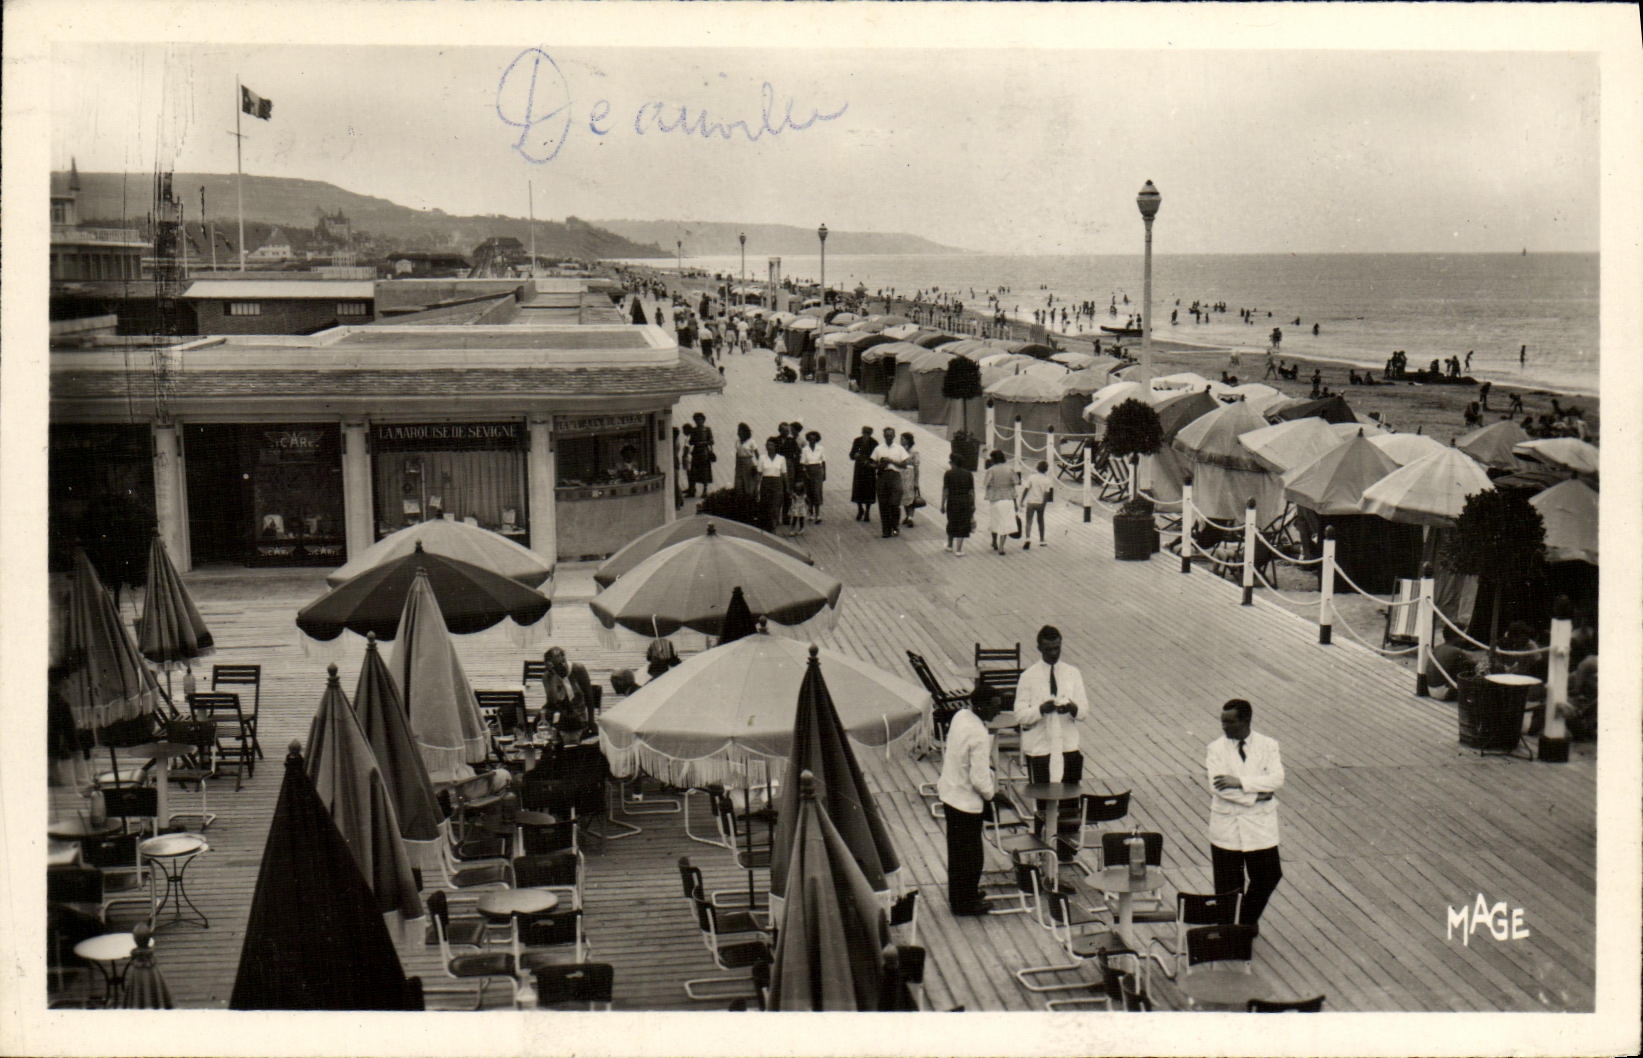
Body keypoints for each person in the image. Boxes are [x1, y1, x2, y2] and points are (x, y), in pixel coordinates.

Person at [1206, 698, 1284, 929]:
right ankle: (1229, 933)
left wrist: (1239, 782)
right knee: (1229, 885)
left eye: (1229, 722)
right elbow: (1218, 787)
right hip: (1227, 828)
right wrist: (1257, 795)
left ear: (1246, 720)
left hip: (1260, 828)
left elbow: (1277, 779)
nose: (1224, 727)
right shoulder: (1215, 748)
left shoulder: (1268, 745)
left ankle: (1247, 922)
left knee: (1269, 876)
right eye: (1222, 722)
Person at [1014, 625, 1086, 857]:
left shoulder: (1072, 673)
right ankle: (1044, 850)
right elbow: (1020, 715)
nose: (1054, 654)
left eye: (1057, 648)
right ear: (1039, 648)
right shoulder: (1028, 677)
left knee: (1069, 801)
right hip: (1040, 747)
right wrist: (1040, 710)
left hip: (1067, 745)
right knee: (1043, 802)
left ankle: (1065, 851)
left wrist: (1072, 708)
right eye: (1048, 649)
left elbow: (1084, 711)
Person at [937, 676, 1002, 916]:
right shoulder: (979, 735)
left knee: (957, 853)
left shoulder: (960, 716)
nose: (999, 711)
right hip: (966, 802)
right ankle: (965, 903)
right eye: (995, 707)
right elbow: (979, 780)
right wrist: (993, 796)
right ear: (982, 707)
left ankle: (961, 895)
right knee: (972, 857)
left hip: (950, 793)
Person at [541, 646, 595, 738]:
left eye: (560, 664)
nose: (559, 668)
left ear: (564, 660)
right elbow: (552, 702)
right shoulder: (548, 676)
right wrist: (553, 678)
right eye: (553, 668)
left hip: (578, 715)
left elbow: (589, 696)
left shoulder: (578, 669)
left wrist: (591, 722)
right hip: (560, 715)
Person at [874, 426, 910, 538]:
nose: (889, 437)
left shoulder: (899, 449)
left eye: (891, 435)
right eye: (887, 435)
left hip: (895, 476)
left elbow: (905, 465)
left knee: (894, 503)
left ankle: (895, 526)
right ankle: (886, 530)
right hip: (882, 476)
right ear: (884, 436)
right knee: (883, 504)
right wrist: (880, 465)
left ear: (894, 436)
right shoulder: (878, 449)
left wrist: (891, 461)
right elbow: (872, 464)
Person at [981, 450, 1018, 555]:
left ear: (993, 459)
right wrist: (1016, 503)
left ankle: (994, 542)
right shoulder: (1010, 469)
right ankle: (1002, 546)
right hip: (1008, 498)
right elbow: (1015, 483)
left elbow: (985, 483)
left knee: (995, 521)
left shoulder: (991, 470)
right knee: (1004, 523)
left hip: (995, 498)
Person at [940, 451, 975, 557]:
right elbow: (971, 492)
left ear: (953, 463)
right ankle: (959, 550)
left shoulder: (948, 474)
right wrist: (973, 504)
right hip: (965, 502)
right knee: (963, 524)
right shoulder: (968, 474)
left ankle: (950, 545)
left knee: (952, 522)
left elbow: (945, 491)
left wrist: (942, 504)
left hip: (952, 501)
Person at [757, 436, 790, 533]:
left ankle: (773, 526)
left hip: (777, 483)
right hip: (766, 483)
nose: (769, 447)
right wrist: (757, 487)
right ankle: (767, 526)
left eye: (771, 445)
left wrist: (787, 487)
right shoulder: (762, 458)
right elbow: (759, 474)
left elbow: (784, 474)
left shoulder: (781, 458)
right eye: (767, 445)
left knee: (776, 505)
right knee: (766, 504)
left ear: (775, 446)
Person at [1018, 459, 1053, 549]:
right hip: (1040, 502)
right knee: (1040, 521)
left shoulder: (1031, 477)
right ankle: (1041, 540)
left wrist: (1021, 500)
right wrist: (1043, 504)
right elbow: (1046, 494)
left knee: (1029, 521)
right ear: (1046, 469)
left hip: (1030, 502)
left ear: (1037, 468)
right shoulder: (1047, 480)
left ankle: (1028, 538)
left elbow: (1026, 489)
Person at [849, 426, 879, 522]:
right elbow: (851, 454)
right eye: (864, 433)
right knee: (858, 489)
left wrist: (869, 461)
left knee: (869, 490)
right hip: (859, 469)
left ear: (870, 434)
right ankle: (860, 509)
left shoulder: (874, 443)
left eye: (868, 433)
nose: (866, 435)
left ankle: (867, 511)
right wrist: (855, 455)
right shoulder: (857, 441)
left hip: (869, 470)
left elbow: (876, 456)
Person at [799, 429, 827, 523]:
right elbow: (802, 463)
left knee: (817, 492)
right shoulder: (805, 449)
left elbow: (823, 461)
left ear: (816, 440)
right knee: (809, 492)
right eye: (810, 439)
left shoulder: (821, 448)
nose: (812, 441)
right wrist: (805, 473)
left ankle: (818, 514)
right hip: (808, 470)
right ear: (808, 439)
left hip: (818, 471)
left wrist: (824, 473)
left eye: (814, 439)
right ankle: (810, 513)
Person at [685, 412, 715, 497]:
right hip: (696, 453)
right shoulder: (694, 430)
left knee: (705, 472)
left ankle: (705, 490)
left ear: (703, 420)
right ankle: (692, 490)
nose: (698, 421)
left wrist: (703, 442)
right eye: (696, 420)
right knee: (693, 472)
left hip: (704, 453)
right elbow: (691, 442)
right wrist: (695, 442)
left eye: (700, 419)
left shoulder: (707, 429)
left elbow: (712, 441)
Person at [900, 432, 922, 527]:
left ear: (908, 440)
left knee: (911, 497)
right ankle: (907, 515)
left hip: (910, 476)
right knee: (904, 496)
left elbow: (916, 467)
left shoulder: (914, 452)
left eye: (903, 439)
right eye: (901, 439)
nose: (901, 441)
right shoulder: (900, 450)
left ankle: (910, 517)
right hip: (901, 475)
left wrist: (916, 481)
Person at [734, 422, 760, 496]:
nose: (738, 433)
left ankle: (750, 499)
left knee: (748, 483)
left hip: (748, 463)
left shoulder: (751, 441)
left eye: (740, 431)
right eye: (738, 431)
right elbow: (737, 453)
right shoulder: (737, 441)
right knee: (739, 484)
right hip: (739, 464)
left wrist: (759, 466)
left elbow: (757, 454)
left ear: (745, 432)